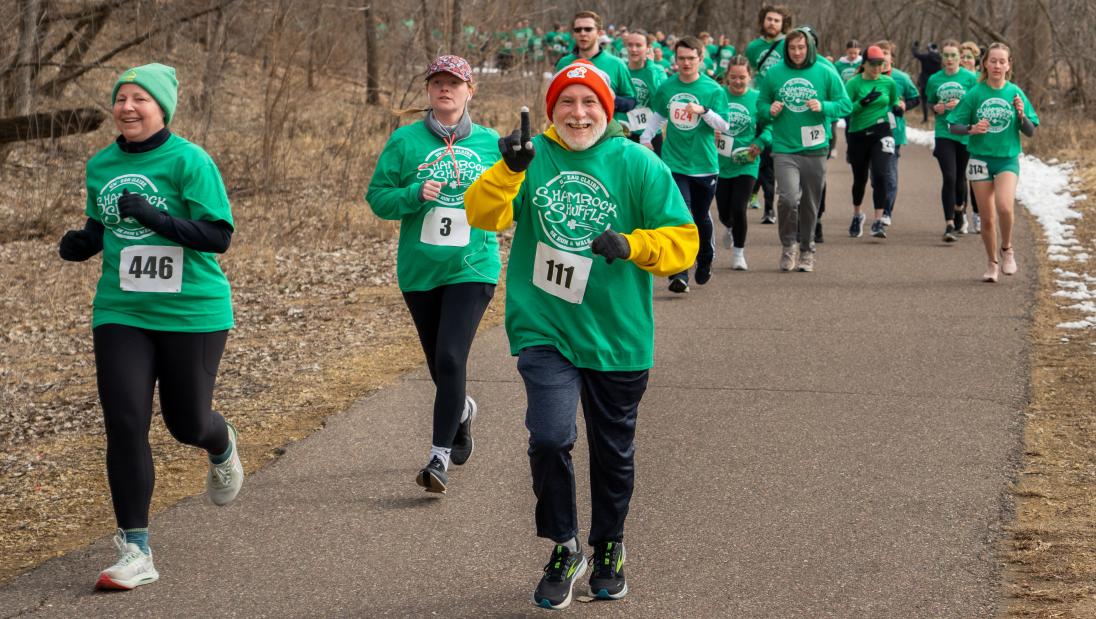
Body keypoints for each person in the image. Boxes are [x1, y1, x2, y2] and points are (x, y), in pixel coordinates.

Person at [463, 60, 698, 609]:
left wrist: (635, 246)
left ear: (607, 110)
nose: (578, 113)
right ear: (552, 111)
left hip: (618, 335)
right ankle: (566, 546)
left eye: (589, 102)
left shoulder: (637, 163)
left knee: (612, 452)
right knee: (549, 437)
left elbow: (684, 241)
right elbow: (481, 216)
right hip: (546, 326)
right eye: (566, 102)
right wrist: (506, 172)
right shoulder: (528, 158)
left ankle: (610, 544)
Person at [57, 63, 242, 590]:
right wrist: (83, 243)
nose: (128, 108)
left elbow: (217, 236)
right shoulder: (101, 164)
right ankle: (135, 548)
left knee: (186, 422)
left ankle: (220, 440)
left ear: (162, 107)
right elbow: (104, 225)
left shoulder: (190, 161)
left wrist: (158, 218)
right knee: (125, 420)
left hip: (193, 310)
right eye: (121, 99)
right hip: (122, 309)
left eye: (140, 98)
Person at [365, 56, 500, 493]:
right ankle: (460, 412)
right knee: (437, 364)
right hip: (421, 270)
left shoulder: (489, 143)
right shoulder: (404, 142)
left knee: (450, 357)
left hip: (472, 265)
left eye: (454, 83)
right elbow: (378, 199)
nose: (445, 89)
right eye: (438, 83)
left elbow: (509, 199)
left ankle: (437, 458)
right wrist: (411, 193)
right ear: (428, 90)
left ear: (469, 90)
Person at [756, 27, 852, 272]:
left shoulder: (825, 71)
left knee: (810, 203)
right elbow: (761, 104)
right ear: (786, 49)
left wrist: (824, 106)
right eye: (792, 47)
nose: (797, 52)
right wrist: (770, 111)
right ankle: (789, 245)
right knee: (787, 199)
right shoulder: (775, 73)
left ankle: (807, 250)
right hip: (785, 147)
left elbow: (845, 105)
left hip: (815, 147)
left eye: (801, 47)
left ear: (809, 47)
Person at [641, 36, 730, 292]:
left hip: (704, 164)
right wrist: (646, 137)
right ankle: (679, 273)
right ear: (675, 60)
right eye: (681, 58)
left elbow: (725, 126)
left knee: (701, 216)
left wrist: (703, 111)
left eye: (691, 58)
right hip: (675, 163)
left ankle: (705, 258)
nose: (686, 63)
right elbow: (658, 114)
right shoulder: (668, 87)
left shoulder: (713, 89)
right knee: (682, 216)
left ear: (701, 59)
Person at [948, 42, 1038, 282]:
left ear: (1008, 66)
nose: (997, 65)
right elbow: (952, 124)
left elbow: (1030, 131)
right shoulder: (976, 93)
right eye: (993, 61)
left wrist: (1020, 115)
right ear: (985, 64)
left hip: (1007, 159)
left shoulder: (1015, 93)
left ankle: (1007, 249)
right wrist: (971, 128)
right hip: (980, 159)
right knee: (987, 218)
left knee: (1005, 207)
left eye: (1002, 61)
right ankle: (992, 262)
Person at [716, 56, 771, 270]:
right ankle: (729, 226)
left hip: (747, 161)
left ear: (750, 77)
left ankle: (739, 253)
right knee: (723, 212)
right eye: (733, 77)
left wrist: (760, 142)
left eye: (742, 77)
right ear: (727, 77)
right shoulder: (718, 95)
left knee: (739, 208)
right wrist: (712, 131)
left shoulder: (757, 98)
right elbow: (705, 120)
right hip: (720, 162)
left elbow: (770, 126)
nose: (738, 81)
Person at [844, 45, 900, 239]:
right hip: (858, 133)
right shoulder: (853, 84)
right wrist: (862, 103)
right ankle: (857, 215)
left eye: (880, 64)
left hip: (882, 130)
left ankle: (878, 221)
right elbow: (844, 109)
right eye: (873, 64)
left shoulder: (888, 82)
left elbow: (893, 101)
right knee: (860, 179)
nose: (877, 68)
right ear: (864, 64)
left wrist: (899, 107)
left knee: (881, 174)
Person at [927, 39, 979, 242]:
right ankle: (949, 224)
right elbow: (930, 101)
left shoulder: (969, 78)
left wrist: (961, 103)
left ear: (959, 57)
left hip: (965, 133)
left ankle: (960, 210)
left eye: (953, 55)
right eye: (946, 55)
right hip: (944, 131)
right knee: (949, 176)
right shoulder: (934, 79)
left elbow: (977, 104)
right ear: (942, 58)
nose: (949, 59)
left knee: (960, 177)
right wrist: (936, 108)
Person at [745, 5, 793, 225]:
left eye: (777, 20)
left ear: (783, 24)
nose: (772, 23)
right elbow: (749, 72)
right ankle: (753, 194)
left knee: (772, 161)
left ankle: (769, 208)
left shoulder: (787, 46)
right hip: (757, 106)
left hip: (781, 108)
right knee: (757, 155)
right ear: (762, 21)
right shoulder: (754, 47)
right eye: (769, 19)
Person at [556, 10, 638, 131]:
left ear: (599, 33)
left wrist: (612, 99)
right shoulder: (564, 63)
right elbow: (556, 100)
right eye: (578, 30)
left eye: (588, 29)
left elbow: (631, 101)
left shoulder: (616, 64)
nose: (582, 33)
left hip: (605, 136)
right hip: (571, 132)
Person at [874, 40, 920, 227]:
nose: (882, 56)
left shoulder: (901, 78)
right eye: (879, 52)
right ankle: (880, 203)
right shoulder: (866, 77)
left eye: (886, 52)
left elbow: (915, 98)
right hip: (870, 132)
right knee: (876, 175)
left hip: (894, 133)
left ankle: (886, 212)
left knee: (889, 173)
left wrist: (904, 105)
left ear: (892, 58)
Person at [623, 29, 666, 154]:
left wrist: (650, 67)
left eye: (638, 45)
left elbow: (660, 101)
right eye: (630, 45)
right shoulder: (621, 69)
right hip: (624, 133)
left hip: (650, 135)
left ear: (648, 48)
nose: (633, 49)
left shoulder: (658, 70)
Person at [960, 41, 983, 233]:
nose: (965, 60)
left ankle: (978, 214)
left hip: (977, 135)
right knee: (959, 177)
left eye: (969, 57)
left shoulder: (980, 79)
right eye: (962, 56)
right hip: (959, 134)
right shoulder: (955, 78)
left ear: (975, 60)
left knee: (975, 177)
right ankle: (961, 215)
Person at [911, 41, 942, 122]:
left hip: (925, 82)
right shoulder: (940, 58)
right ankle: (938, 116)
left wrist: (915, 46)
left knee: (924, 101)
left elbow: (915, 54)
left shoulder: (925, 57)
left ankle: (925, 119)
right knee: (937, 100)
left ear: (928, 49)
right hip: (937, 82)